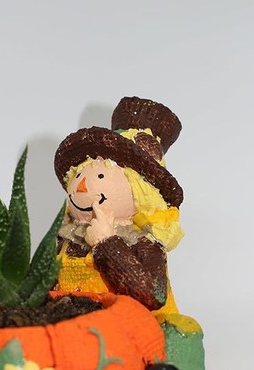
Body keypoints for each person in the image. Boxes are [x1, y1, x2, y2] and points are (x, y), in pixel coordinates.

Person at [53, 95, 184, 320]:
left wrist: (106, 243)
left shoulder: (142, 242)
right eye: (80, 174)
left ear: (139, 191)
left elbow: (152, 294)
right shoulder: (66, 236)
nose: (82, 186)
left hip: (127, 329)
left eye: (100, 176)